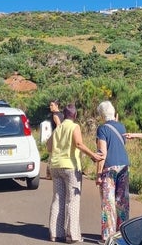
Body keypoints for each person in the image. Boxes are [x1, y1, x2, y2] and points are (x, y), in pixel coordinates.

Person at [48, 104, 104, 243]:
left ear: (64, 114)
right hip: (70, 166)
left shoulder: (58, 127)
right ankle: (72, 235)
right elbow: (78, 144)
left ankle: (55, 233)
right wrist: (93, 155)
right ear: (75, 115)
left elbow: (49, 146)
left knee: (57, 199)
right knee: (73, 200)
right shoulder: (74, 127)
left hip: (56, 166)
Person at [94, 101, 130, 242]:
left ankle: (108, 235)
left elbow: (102, 152)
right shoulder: (121, 126)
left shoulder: (102, 129)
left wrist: (98, 174)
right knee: (122, 202)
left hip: (109, 167)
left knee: (108, 202)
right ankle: (123, 233)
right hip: (124, 165)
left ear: (102, 115)